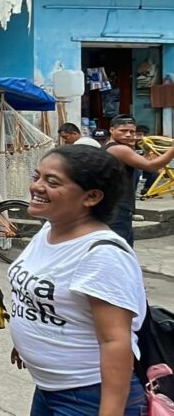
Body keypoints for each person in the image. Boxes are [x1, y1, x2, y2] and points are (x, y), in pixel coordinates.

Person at [9, 145, 147, 415]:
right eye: (37, 176)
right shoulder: (50, 230)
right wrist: (29, 339)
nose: (36, 187)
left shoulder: (102, 255)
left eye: (52, 181)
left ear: (92, 197)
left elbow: (115, 343)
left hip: (87, 396)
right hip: (49, 388)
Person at [101, 114, 174, 246]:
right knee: (120, 249)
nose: (129, 135)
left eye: (132, 132)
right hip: (118, 207)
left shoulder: (117, 148)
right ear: (112, 130)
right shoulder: (118, 149)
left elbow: (147, 164)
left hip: (116, 206)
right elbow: (152, 167)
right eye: (123, 131)